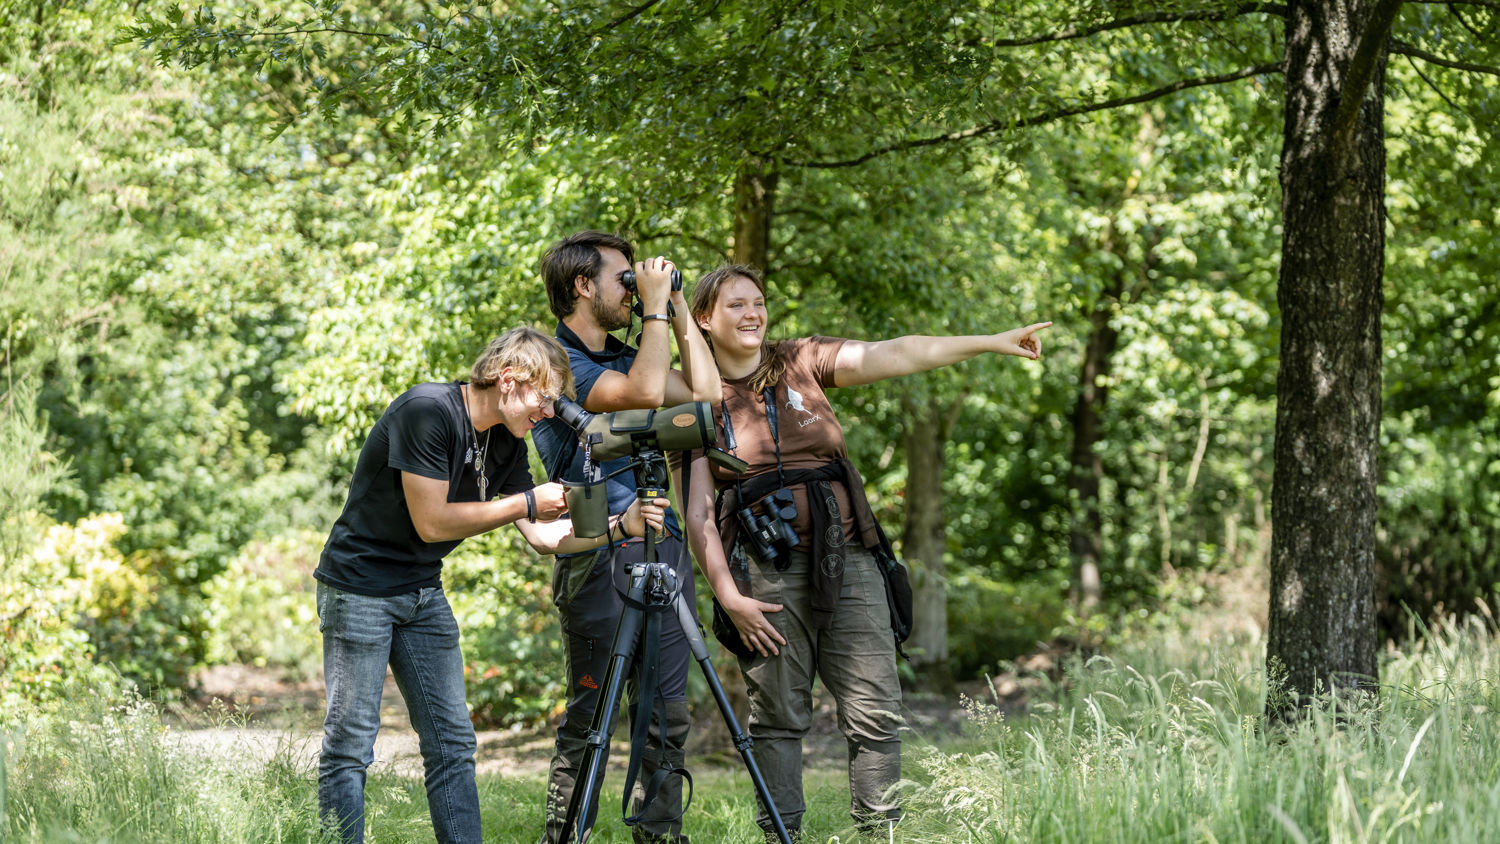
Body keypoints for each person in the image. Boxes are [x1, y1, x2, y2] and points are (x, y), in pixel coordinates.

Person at [683, 265, 1051, 842]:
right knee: (778, 717)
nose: (753, 313)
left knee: (875, 712)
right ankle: (784, 836)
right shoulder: (694, 397)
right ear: (704, 318)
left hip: (849, 560)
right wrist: (729, 598)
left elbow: (897, 352)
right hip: (763, 576)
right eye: (736, 305)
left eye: (759, 301)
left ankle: (879, 834)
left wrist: (990, 342)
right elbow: (700, 513)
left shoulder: (800, 359)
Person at [314, 327, 669, 844]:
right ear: (509, 380)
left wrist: (622, 527)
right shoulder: (427, 411)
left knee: (454, 743)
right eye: (544, 400)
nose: (548, 414)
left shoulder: (506, 439)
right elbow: (431, 523)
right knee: (350, 745)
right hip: (359, 587)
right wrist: (525, 502)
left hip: (420, 591)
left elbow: (545, 538)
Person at [530, 231, 721, 844]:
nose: (633, 291)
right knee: (593, 713)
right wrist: (658, 307)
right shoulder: (558, 365)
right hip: (594, 545)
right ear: (583, 286)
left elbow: (706, 398)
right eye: (623, 280)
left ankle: (659, 835)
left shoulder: (626, 353)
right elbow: (641, 394)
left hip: (659, 540)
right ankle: (566, 836)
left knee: (667, 714)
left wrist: (680, 303)